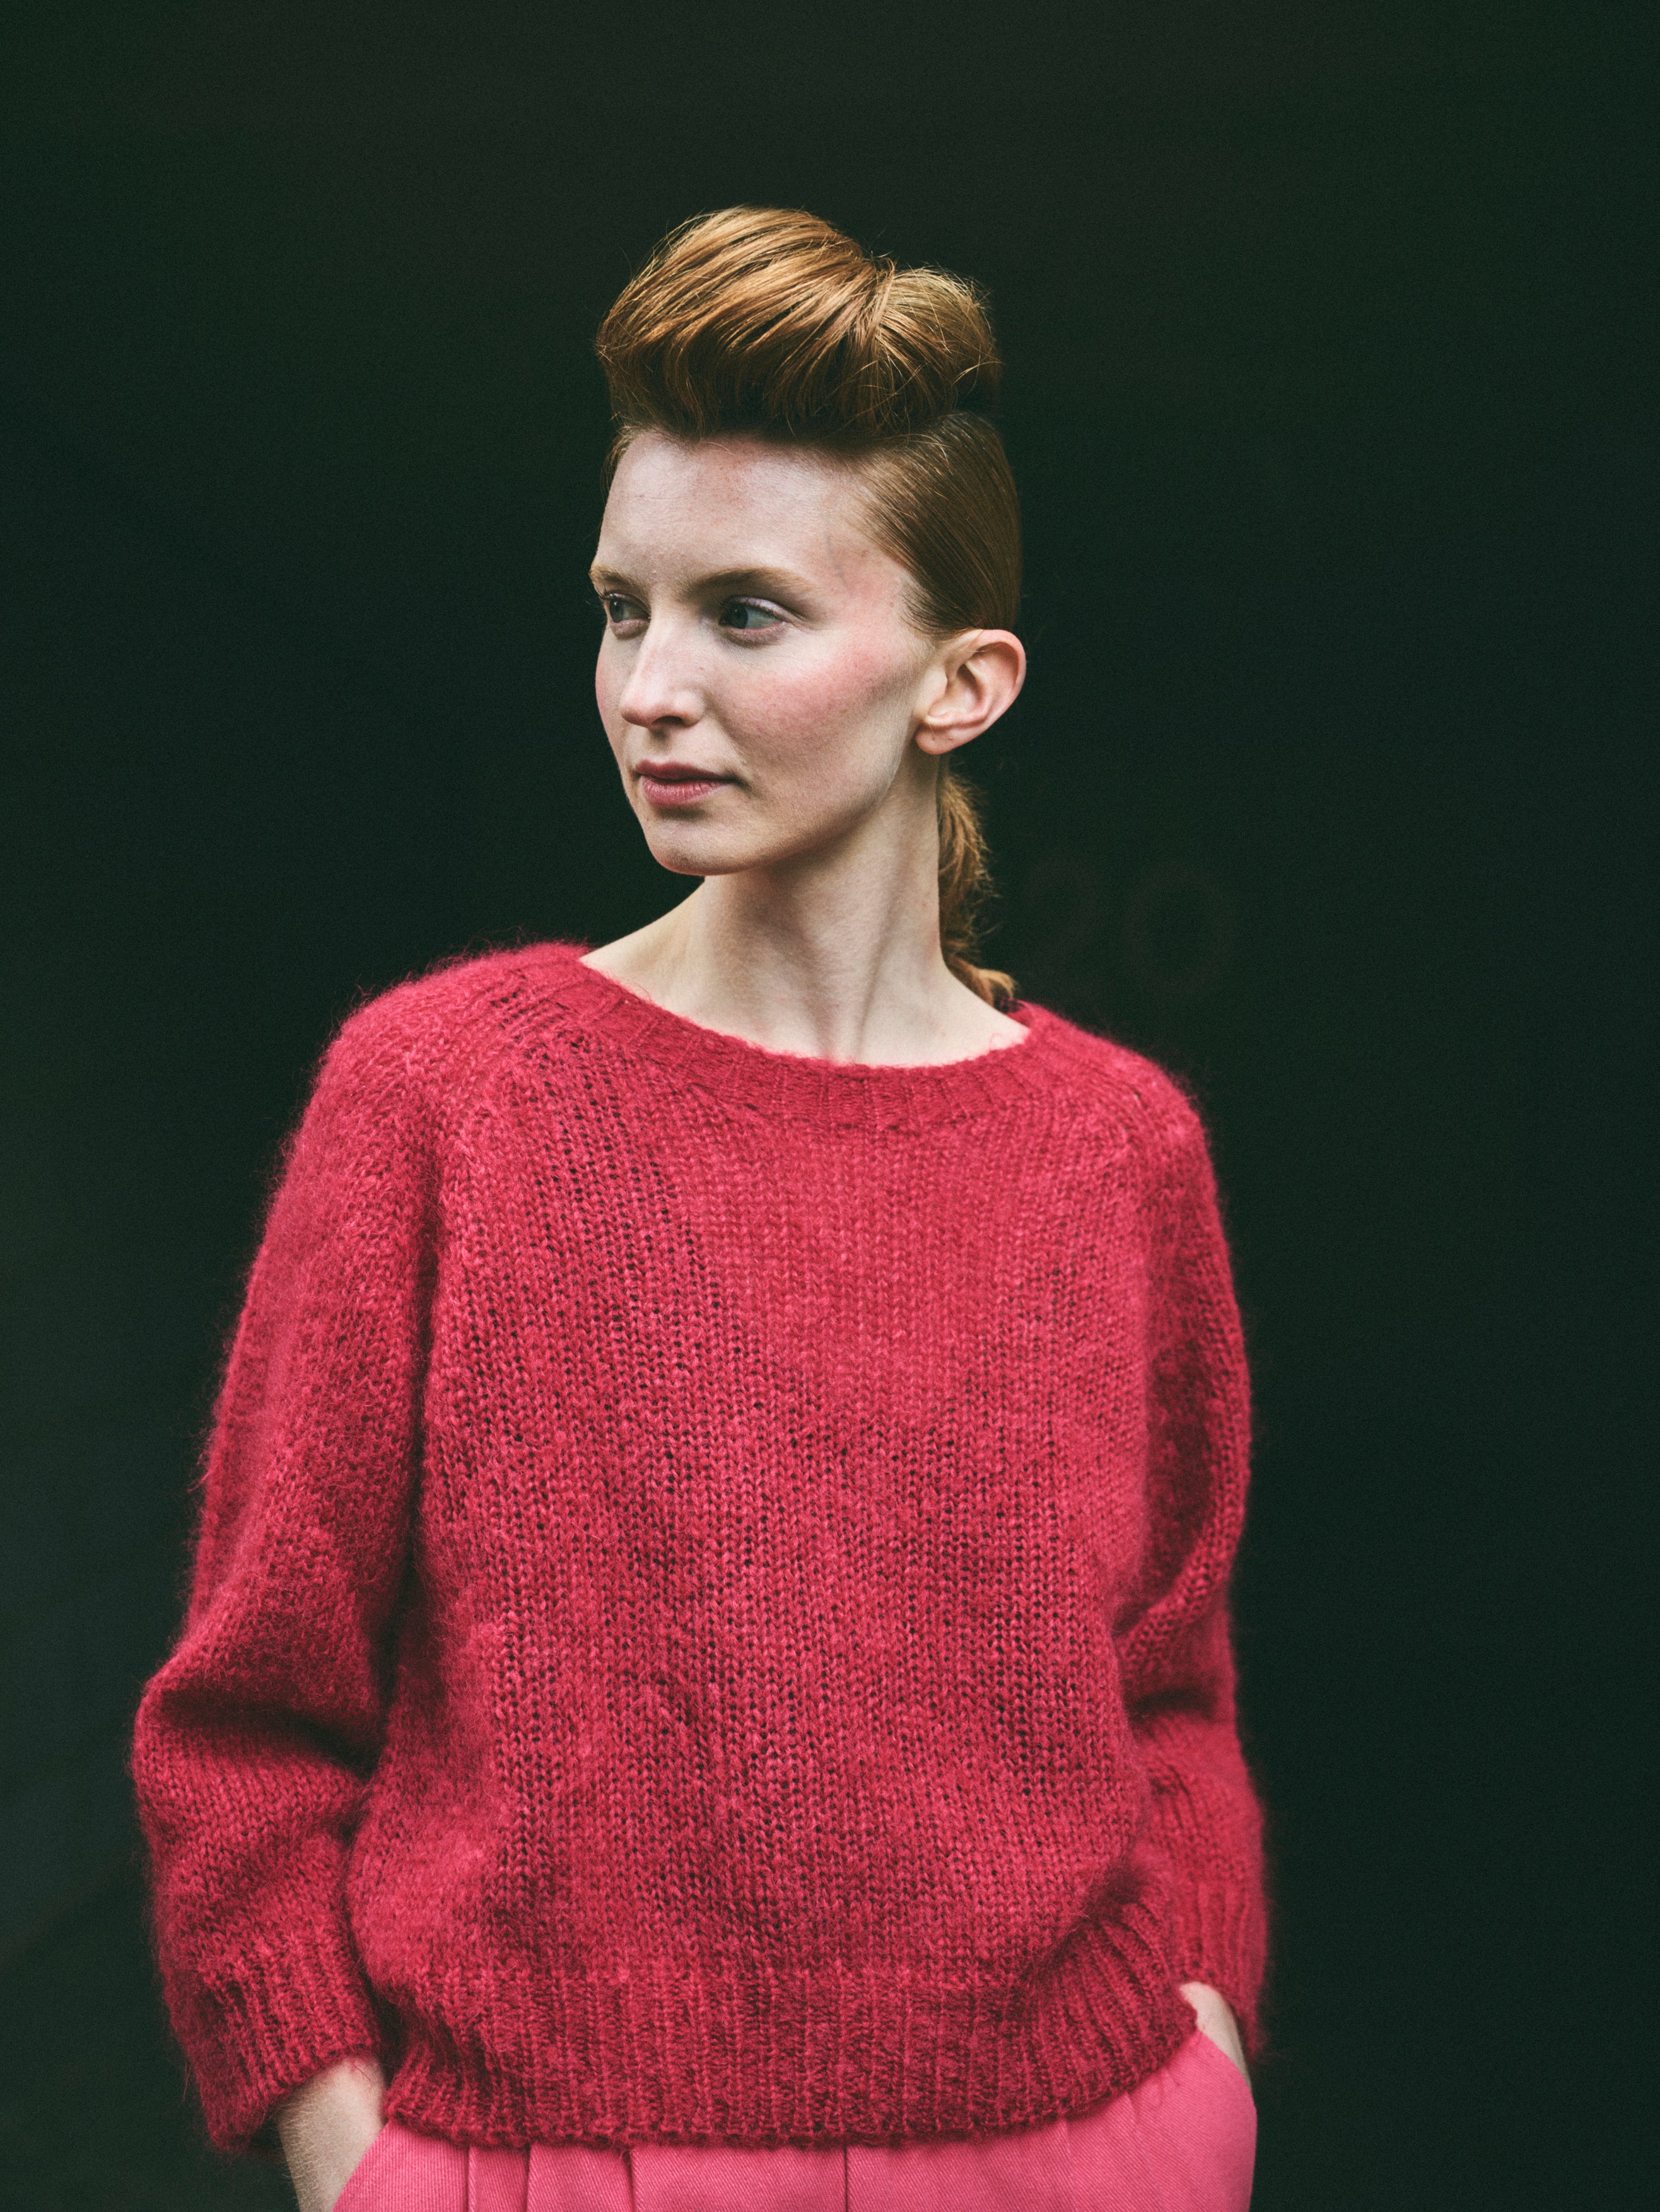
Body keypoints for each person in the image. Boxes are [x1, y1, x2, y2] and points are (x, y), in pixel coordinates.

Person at [131, 206, 1268, 2212]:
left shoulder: (1121, 1147)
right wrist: (349, 2156)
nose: (649, 684)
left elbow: (1168, 1684)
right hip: (544, 2157)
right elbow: (248, 1716)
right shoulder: (443, 1095)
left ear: (962, 681)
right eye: (620, 606)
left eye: (744, 613)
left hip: (1076, 2146)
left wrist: (1209, 2055)